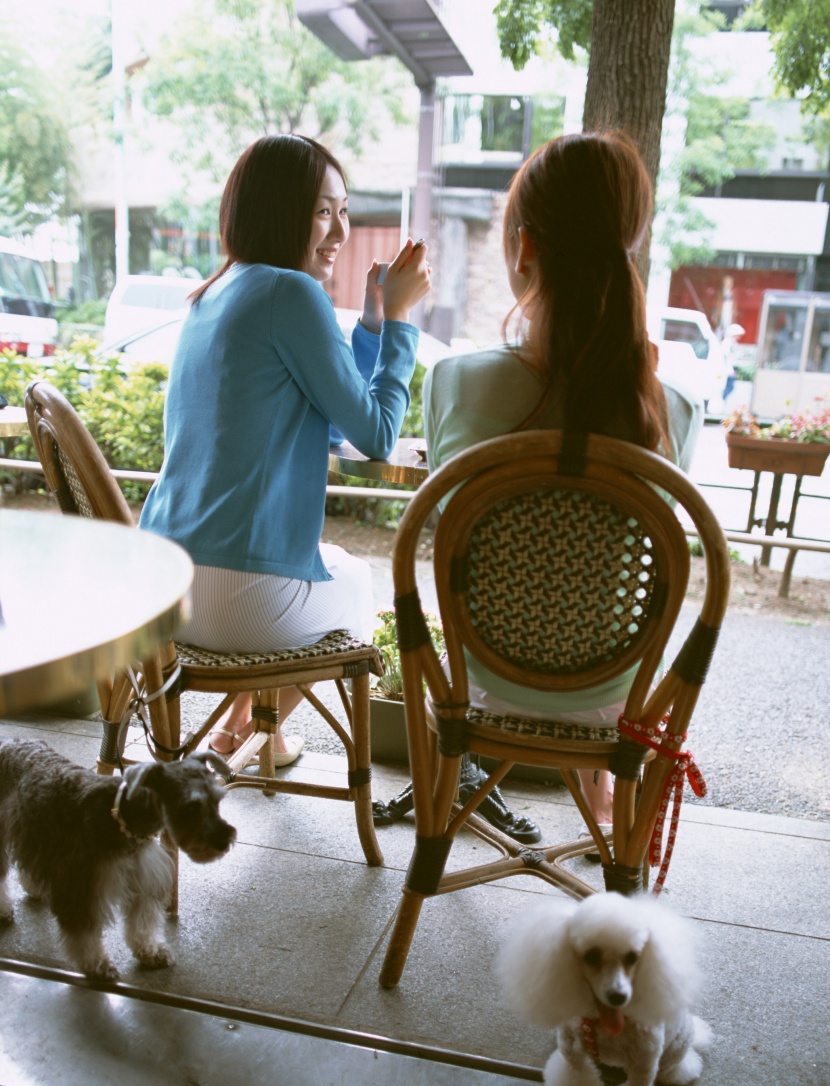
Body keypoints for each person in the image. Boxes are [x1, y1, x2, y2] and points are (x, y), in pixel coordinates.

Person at [422, 131, 703, 846]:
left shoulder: (456, 382)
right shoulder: (670, 409)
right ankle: (602, 794)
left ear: (522, 248)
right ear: (629, 243)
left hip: (481, 683)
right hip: (613, 696)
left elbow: (446, 525)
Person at [139, 134, 430, 764]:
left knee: (329, 563)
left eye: (343, 211)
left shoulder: (212, 296)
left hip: (163, 585)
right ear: (277, 211)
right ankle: (243, 744)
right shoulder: (291, 293)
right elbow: (375, 434)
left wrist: (373, 325)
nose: (340, 231)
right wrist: (403, 323)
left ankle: (241, 736)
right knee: (357, 586)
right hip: (235, 599)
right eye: (323, 211)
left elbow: (325, 417)